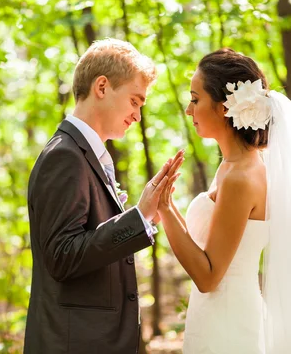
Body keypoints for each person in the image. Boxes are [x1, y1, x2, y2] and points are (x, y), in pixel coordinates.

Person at [158, 48, 291, 353]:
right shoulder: (232, 166)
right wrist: (166, 202)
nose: (189, 110)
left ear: (224, 107)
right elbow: (208, 245)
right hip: (215, 316)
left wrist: (162, 209)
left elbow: (209, 276)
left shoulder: (241, 177)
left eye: (196, 99)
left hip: (228, 326)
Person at [23, 38, 181, 354]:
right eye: (135, 101)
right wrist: (138, 217)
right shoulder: (65, 156)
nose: (138, 115)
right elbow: (62, 256)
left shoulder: (85, 155)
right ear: (102, 87)